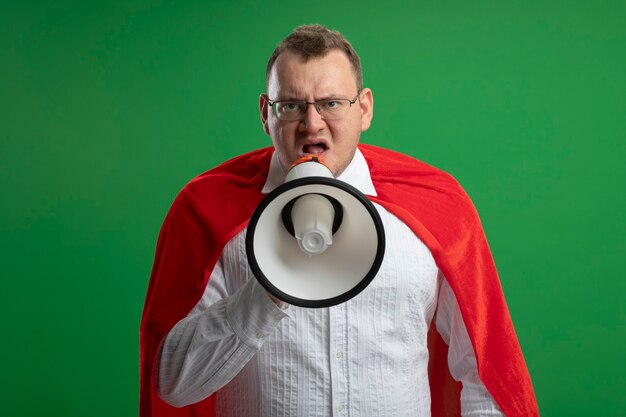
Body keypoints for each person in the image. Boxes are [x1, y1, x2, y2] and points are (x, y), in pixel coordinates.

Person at [140, 25, 539, 417]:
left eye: (331, 103)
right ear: (266, 114)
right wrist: (269, 288)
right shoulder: (207, 211)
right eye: (292, 105)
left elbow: (485, 374)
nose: (312, 124)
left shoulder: (436, 207)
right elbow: (174, 386)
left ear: (363, 108)